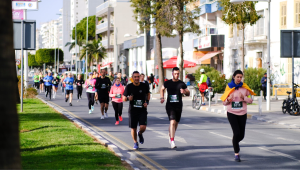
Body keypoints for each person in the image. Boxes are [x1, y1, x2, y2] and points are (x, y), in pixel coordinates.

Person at [221, 70, 256, 162]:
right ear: (234, 77)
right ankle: (237, 153)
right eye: (238, 77)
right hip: (232, 113)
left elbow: (251, 100)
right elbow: (224, 103)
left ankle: (235, 141)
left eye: (241, 77)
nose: (239, 79)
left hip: (242, 113)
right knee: (236, 133)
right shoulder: (229, 87)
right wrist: (228, 99)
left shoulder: (244, 87)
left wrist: (243, 97)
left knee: (241, 135)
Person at [160, 67, 190, 149]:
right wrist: (162, 97)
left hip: (179, 105)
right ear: (172, 73)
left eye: (178, 74)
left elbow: (188, 93)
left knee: (176, 123)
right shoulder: (168, 82)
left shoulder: (182, 84)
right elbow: (162, 89)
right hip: (170, 105)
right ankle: (172, 141)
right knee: (172, 122)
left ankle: (171, 135)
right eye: (175, 73)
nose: (176, 75)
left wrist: (184, 92)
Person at [123, 71, 150, 150]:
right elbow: (123, 98)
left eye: (138, 77)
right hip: (133, 111)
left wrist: (147, 102)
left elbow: (148, 94)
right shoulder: (129, 86)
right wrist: (128, 98)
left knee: (143, 127)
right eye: (135, 77)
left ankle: (140, 133)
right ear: (132, 78)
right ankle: (135, 142)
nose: (137, 78)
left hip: (142, 110)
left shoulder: (144, 85)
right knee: (133, 128)